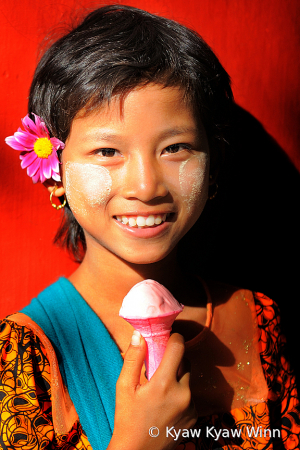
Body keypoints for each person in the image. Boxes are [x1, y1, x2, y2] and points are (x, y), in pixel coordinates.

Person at [1, 5, 299, 449]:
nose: (145, 185)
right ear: (54, 171)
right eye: (107, 152)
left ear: (213, 166)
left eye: (175, 147)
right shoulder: (25, 355)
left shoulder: (260, 321)